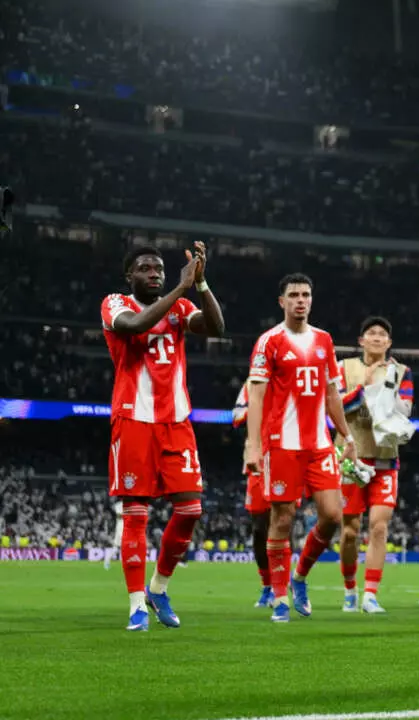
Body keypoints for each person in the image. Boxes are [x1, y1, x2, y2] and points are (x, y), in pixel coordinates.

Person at [101, 243, 225, 631]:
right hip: (133, 420)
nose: (155, 273)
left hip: (176, 422)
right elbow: (135, 326)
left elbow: (217, 327)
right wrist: (181, 289)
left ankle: (159, 587)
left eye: (159, 268)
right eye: (145, 268)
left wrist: (201, 285)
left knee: (190, 510)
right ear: (130, 276)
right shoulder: (114, 302)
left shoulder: (182, 306)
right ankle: (136, 604)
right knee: (136, 515)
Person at [244, 273, 357, 623]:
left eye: (306, 294)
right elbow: (257, 394)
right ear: (282, 301)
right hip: (282, 445)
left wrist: (347, 435)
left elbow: (331, 393)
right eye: (293, 295)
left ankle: (299, 577)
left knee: (333, 516)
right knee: (282, 518)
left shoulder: (324, 340)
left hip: (319, 444)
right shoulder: (269, 341)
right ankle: (279, 598)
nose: (301, 300)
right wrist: (253, 445)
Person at [336, 316, 413, 614]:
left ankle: (370, 594)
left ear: (389, 343)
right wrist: (364, 389)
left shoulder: (402, 372)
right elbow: (336, 406)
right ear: (361, 340)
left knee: (379, 528)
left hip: (386, 458)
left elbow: (405, 409)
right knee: (350, 532)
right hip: (351, 458)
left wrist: (383, 393)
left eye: (383, 334)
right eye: (372, 333)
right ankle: (349, 589)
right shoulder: (344, 368)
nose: (377, 338)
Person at [233, 380, 273, 608]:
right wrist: (258, 406)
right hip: (257, 460)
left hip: (286, 454)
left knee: (282, 521)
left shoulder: (291, 376)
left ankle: (282, 582)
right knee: (259, 528)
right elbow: (237, 416)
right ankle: (267, 584)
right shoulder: (251, 383)